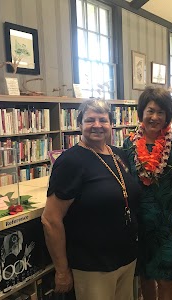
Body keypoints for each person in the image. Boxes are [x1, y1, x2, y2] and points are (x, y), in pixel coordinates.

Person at [41, 99, 141, 300]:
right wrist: (62, 271)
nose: (97, 125)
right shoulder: (70, 162)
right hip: (93, 265)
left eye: (103, 120)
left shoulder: (118, 154)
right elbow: (50, 220)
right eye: (90, 120)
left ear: (111, 124)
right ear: (79, 125)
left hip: (126, 259)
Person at [122, 87, 172, 300]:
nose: (155, 117)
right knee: (144, 274)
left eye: (161, 112)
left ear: (167, 115)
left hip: (167, 219)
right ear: (141, 112)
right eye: (150, 111)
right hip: (139, 219)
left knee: (165, 276)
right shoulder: (128, 144)